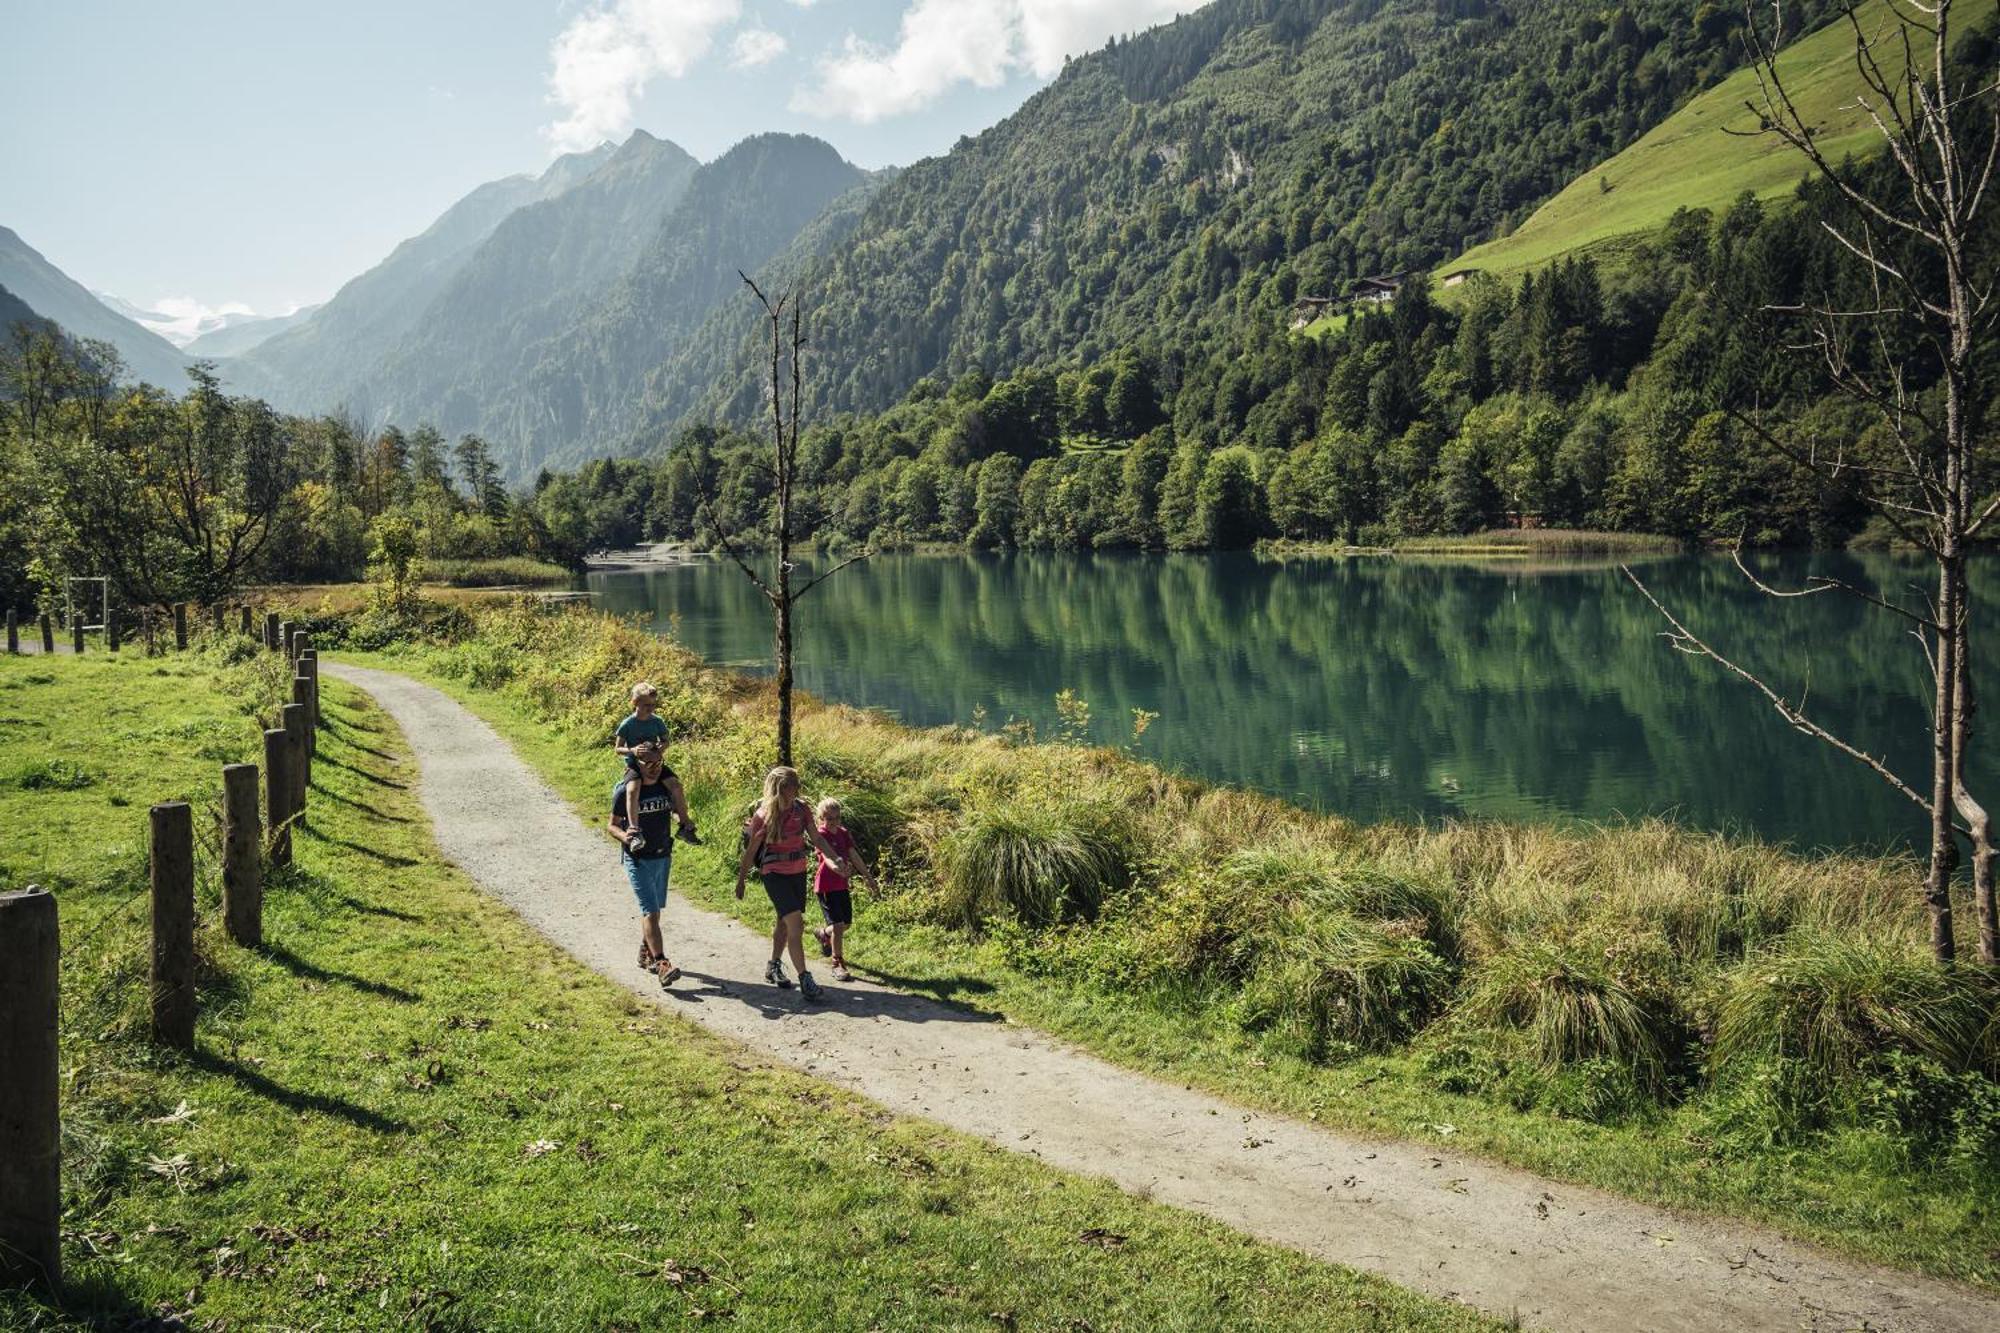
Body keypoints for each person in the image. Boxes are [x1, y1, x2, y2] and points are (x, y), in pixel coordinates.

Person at [736, 765, 849, 1002]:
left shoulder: (802, 809)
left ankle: (773, 965)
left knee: (784, 922)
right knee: (796, 925)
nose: (798, 787)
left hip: (797, 872)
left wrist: (835, 860)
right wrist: (741, 880)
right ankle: (805, 978)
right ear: (782, 787)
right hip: (774, 873)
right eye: (794, 784)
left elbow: (816, 838)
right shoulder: (763, 816)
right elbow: (751, 852)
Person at [607, 741, 691, 987]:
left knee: (656, 909)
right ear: (637, 763)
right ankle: (662, 964)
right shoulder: (625, 791)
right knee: (651, 912)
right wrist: (626, 837)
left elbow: (673, 810)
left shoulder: (665, 787)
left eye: (658, 763)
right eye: (648, 763)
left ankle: (645, 953)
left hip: (663, 854)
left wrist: (683, 821)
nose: (654, 768)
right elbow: (611, 825)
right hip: (638, 859)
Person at [614, 683, 692, 852]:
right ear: (635, 703)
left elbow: (666, 741)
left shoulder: (657, 721)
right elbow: (617, 749)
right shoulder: (628, 724)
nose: (650, 708)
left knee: (676, 786)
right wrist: (632, 750)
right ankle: (634, 831)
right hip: (635, 765)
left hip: (656, 762)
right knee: (633, 790)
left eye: (653, 704)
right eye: (646, 705)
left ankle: (685, 825)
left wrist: (661, 748)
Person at [810, 797, 877, 983]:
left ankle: (823, 933)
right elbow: (827, 858)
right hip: (825, 886)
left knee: (846, 924)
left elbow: (853, 855)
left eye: (837, 818)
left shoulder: (843, 833)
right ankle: (837, 963)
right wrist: (839, 868)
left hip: (841, 886)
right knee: (839, 926)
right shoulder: (820, 834)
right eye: (829, 818)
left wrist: (868, 876)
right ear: (821, 818)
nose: (833, 822)